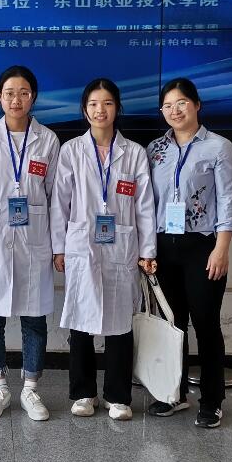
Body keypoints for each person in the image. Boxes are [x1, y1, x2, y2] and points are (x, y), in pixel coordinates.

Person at [51, 78, 157, 421]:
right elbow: (59, 204)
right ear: (85, 110)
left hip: (121, 246)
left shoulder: (134, 153)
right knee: (81, 318)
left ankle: (118, 395)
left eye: (108, 103)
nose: (101, 110)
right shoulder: (71, 151)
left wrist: (148, 250)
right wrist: (59, 247)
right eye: (94, 104)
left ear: (117, 108)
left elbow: (145, 207)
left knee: (120, 322)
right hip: (82, 244)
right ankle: (83, 393)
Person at [0, 66, 60, 421]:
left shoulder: (48, 140)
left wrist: (59, 247)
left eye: (23, 93)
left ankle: (31, 388)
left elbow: (56, 199)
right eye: (9, 93)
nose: (16, 100)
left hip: (34, 241)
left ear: (33, 97)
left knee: (34, 319)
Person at [145, 77, 232, 429]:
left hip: (202, 247)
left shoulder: (218, 147)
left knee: (205, 324)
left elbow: (227, 200)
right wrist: (146, 249)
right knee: (172, 326)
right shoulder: (155, 149)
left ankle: (212, 401)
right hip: (163, 246)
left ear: (197, 105)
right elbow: (146, 203)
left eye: (181, 103)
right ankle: (174, 393)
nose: (175, 110)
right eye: (168, 105)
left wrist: (222, 248)